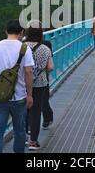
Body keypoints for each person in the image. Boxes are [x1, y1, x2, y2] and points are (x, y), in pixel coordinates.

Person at [0, 19, 35, 153]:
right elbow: (29, 72)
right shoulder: (25, 48)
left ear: (6, 31)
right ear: (21, 32)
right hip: (19, 97)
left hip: (0, 96)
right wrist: (29, 95)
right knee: (19, 129)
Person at [24, 21, 54, 150]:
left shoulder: (22, 47)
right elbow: (51, 67)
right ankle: (33, 142)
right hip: (40, 83)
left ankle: (25, 135)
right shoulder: (45, 48)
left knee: (23, 110)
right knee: (36, 111)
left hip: (23, 83)